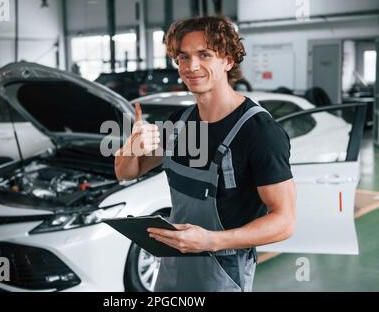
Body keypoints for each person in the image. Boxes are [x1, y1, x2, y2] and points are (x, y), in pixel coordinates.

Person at [114, 16, 296, 292]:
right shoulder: (180, 122)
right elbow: (126, 172)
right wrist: (132, 146)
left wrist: (210, 241)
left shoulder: (259, 132)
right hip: (173, 261)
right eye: (183, 57)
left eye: (204, 55)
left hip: (223, 268)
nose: (191, 66)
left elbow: (284, 221)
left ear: (228, 61)